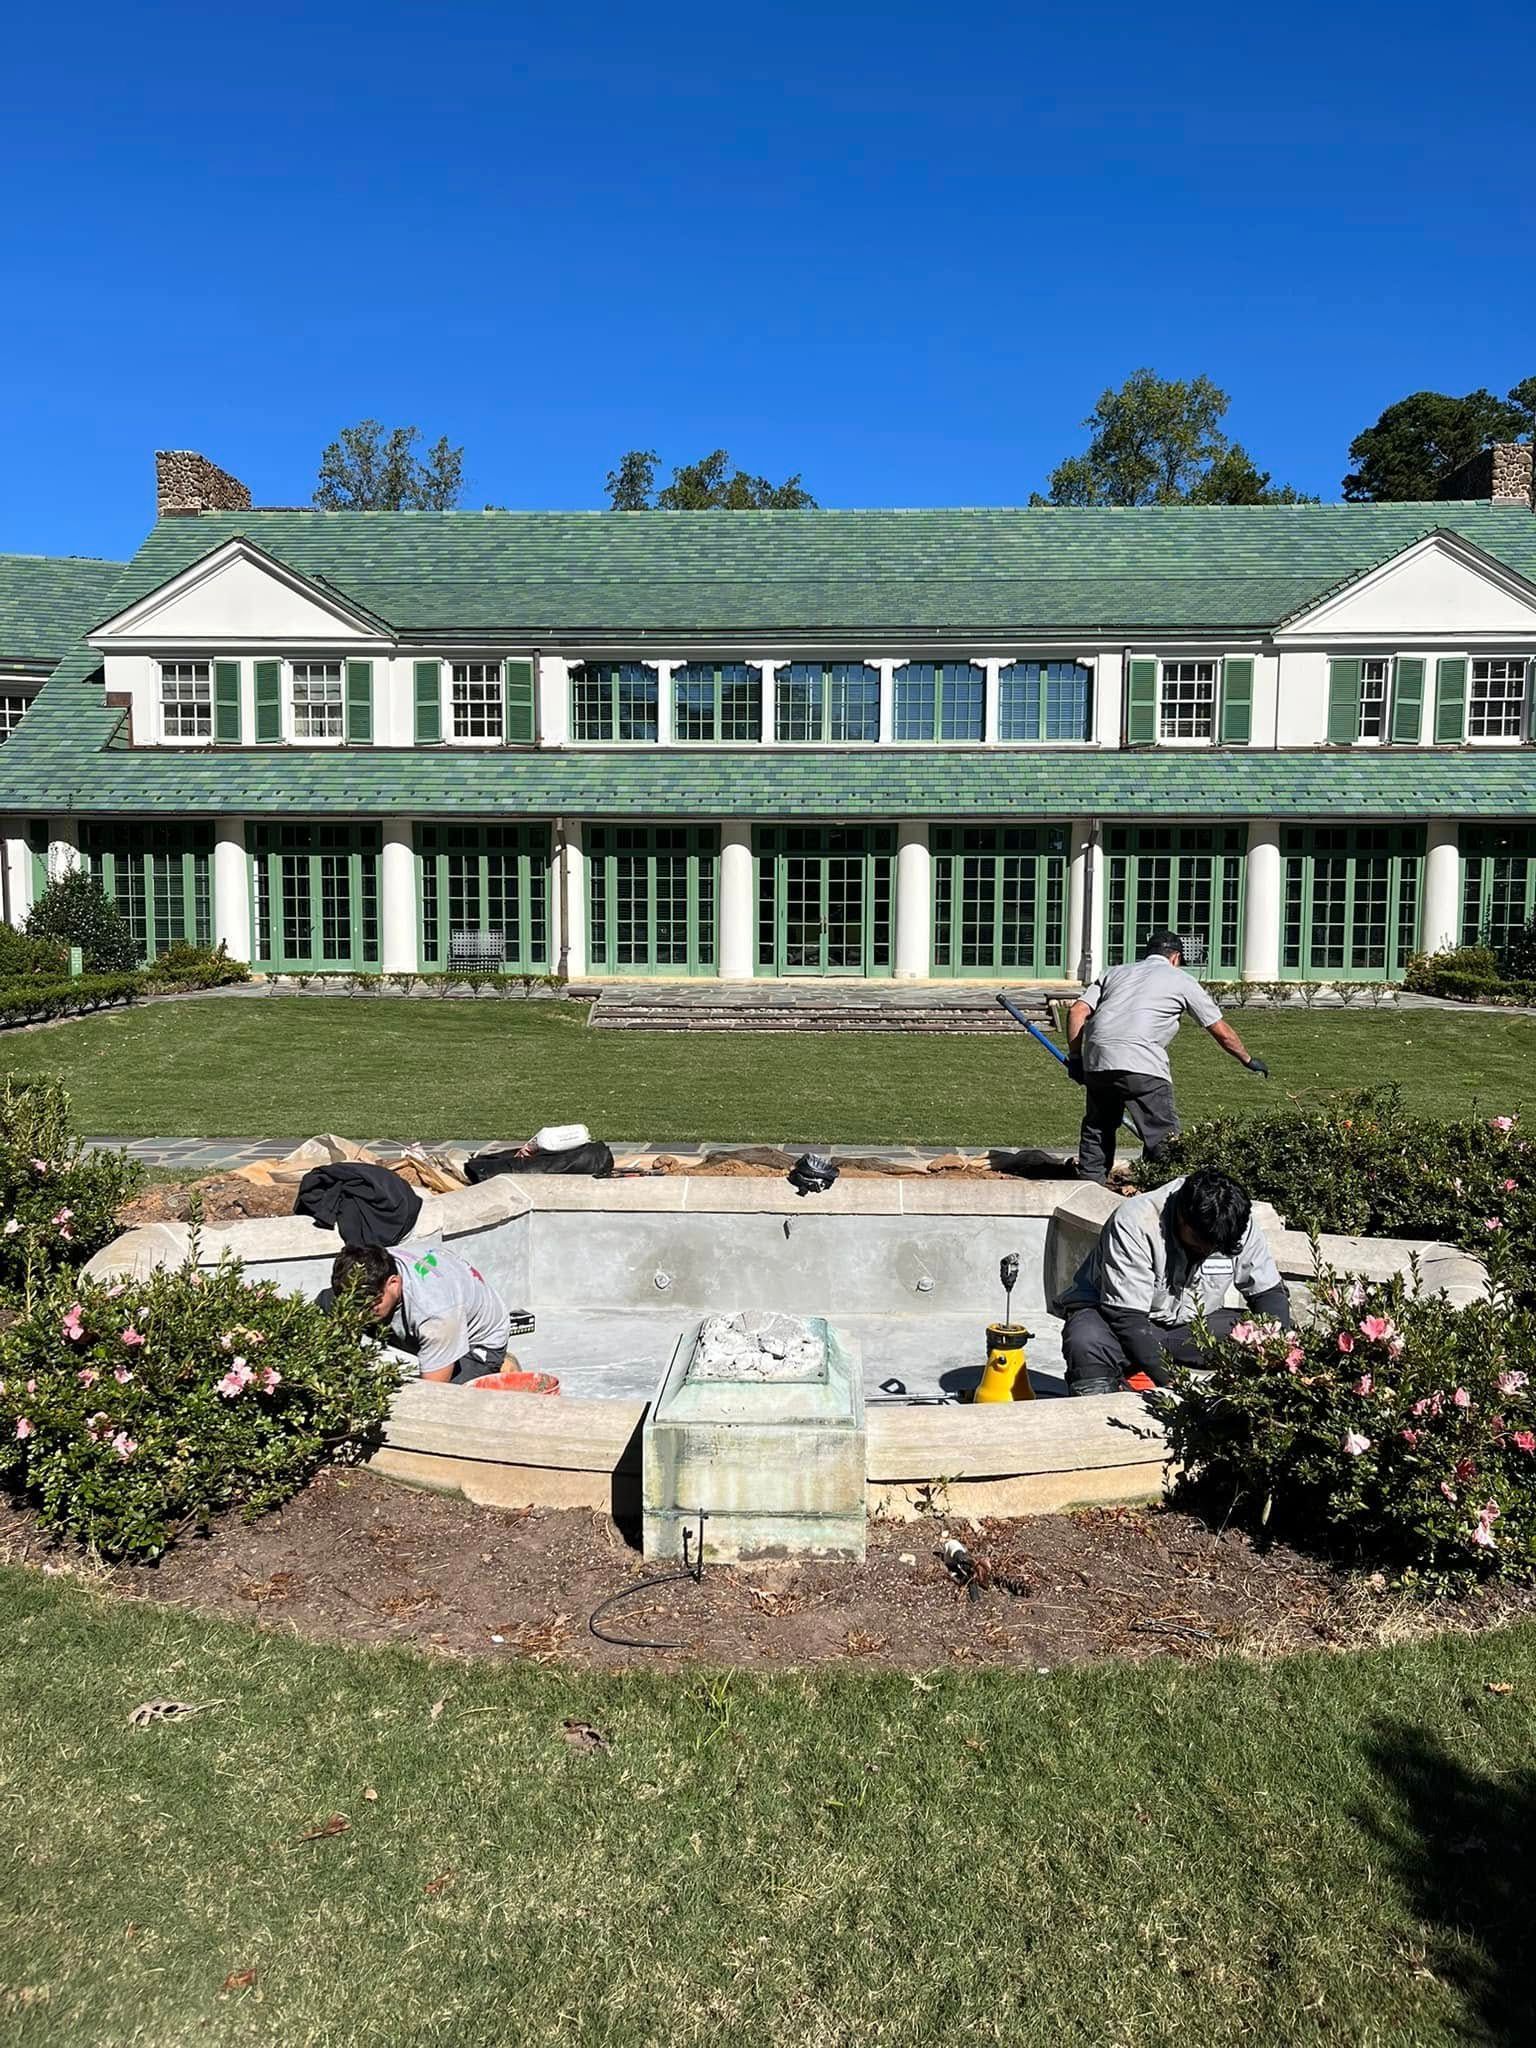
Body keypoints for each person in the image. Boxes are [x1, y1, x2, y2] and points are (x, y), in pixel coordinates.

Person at [1055, 1165, 1292, 1395]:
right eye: (1202, 1242)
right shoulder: (1135, 1221)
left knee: (1262, 1335)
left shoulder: (1235, 1221)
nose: (1209, 1250)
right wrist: (1174, 1383)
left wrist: (1277, 1351)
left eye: (1217, 1246)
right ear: (1183, 1218)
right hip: (1119, 1321)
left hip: (1191, 1325)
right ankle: (1100, 1417)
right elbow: (1126, 1319)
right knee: (1086, 1341)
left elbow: (1268, 1295)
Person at [1067, 931, 1269, 1185]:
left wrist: (1076, 1057)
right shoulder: (1181, 980)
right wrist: (1248, 1059)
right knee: (1162, 1135)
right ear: (1175, 958)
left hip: (1098, 1060)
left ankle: (1088, 1187)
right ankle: (1160, 1188)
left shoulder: (1113, 972)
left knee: (1098, 1127)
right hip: (1143, 1064)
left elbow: (1077, 1010)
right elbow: (1220, 1030)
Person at [330, 1241, 514, 1385]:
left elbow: (432, 1394)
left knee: (451, 1405)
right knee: (328, 1305)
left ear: (393, 1283)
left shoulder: (435, 1317)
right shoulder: (375, 1265)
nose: (359, 1315)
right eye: (354, 1304)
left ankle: (503, 1366)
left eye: (370, 1304)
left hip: (477, 1344)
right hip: (441, 1312)